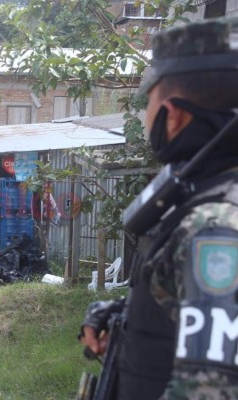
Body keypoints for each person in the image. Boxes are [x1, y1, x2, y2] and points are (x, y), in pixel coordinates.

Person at [79, 17, 238, 399]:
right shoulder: (207, 199)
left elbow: (210, 392)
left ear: (174, 115)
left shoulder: (215, 228)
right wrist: (120, 314)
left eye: (147, 104)